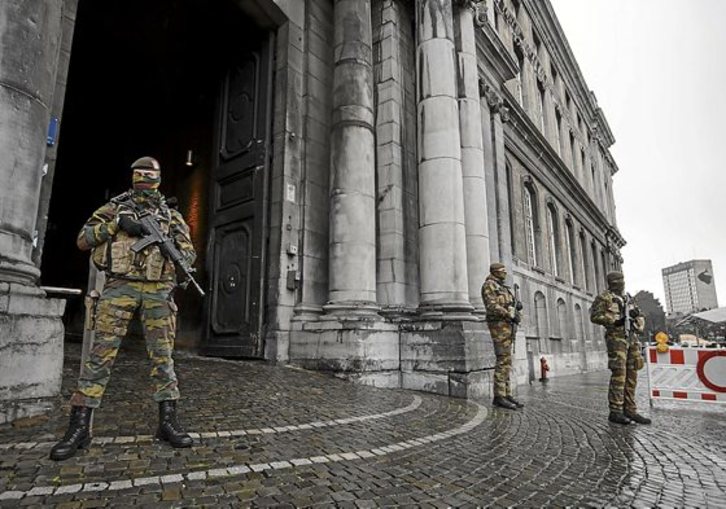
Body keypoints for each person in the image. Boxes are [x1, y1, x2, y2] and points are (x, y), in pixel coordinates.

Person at [50, 157, 197, 461]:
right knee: (100, 356)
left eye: (150, 175)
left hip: (158, 289)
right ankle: (79, 428)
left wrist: (172, 250)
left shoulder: (171, 216)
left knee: (163, 358)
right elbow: (83, 240)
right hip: (120, 286)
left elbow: (188, 252)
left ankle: (168, 422)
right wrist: (117, 224)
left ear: (158, 179)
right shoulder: (115, 208)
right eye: (140, 174)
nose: (145, 179)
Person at [590, 271, 651, 425]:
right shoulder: (604, 298)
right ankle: (615, 410)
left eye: (622, 280)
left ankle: (630, 409)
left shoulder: (628, 298)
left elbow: (640, 318)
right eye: (617, 281)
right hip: (616, 338)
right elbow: (595, 316)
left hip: (632, 338)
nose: (621, 284)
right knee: (619, 374)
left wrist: (637, 317)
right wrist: (615, 321)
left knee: (632, 373)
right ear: (611, 283)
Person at [481, 262, 524, 410]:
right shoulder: (489, 285)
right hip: (499, 327)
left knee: (507, 361)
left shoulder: (503, 287)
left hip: (507, 326)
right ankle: (499, 396)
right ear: (495, 271)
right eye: (502, 270)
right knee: (502, 360)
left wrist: (516, 306)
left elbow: (509, 304)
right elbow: (492, 306)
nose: (505, 273)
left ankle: (506, 394)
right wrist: (509, 314)